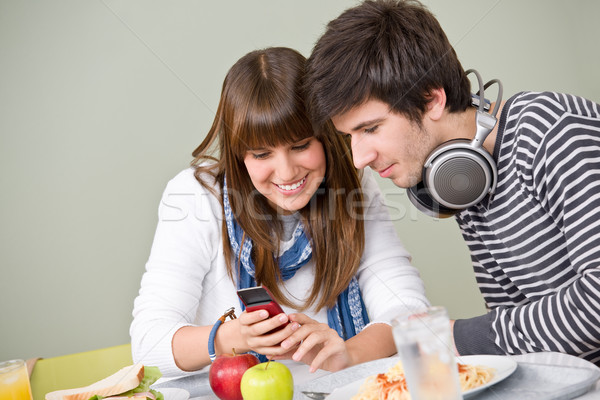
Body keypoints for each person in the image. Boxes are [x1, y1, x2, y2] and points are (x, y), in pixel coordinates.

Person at [305, 0, 600, 365]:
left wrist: (455, 337)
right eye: (350, 135)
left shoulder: (555, 132)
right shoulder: (461, 176)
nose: (359, 158)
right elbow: (519, 337)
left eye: (371, 128)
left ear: (432, 99)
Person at [130, 46, 429, 377]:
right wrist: (232, 337)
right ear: (239, 156)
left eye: (301, 146)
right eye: (261, 154)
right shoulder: (197, 196)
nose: (286, 173)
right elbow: (147, 346)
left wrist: (348, 353)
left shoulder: (353, 182)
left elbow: (410, 310)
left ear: (325, 138)